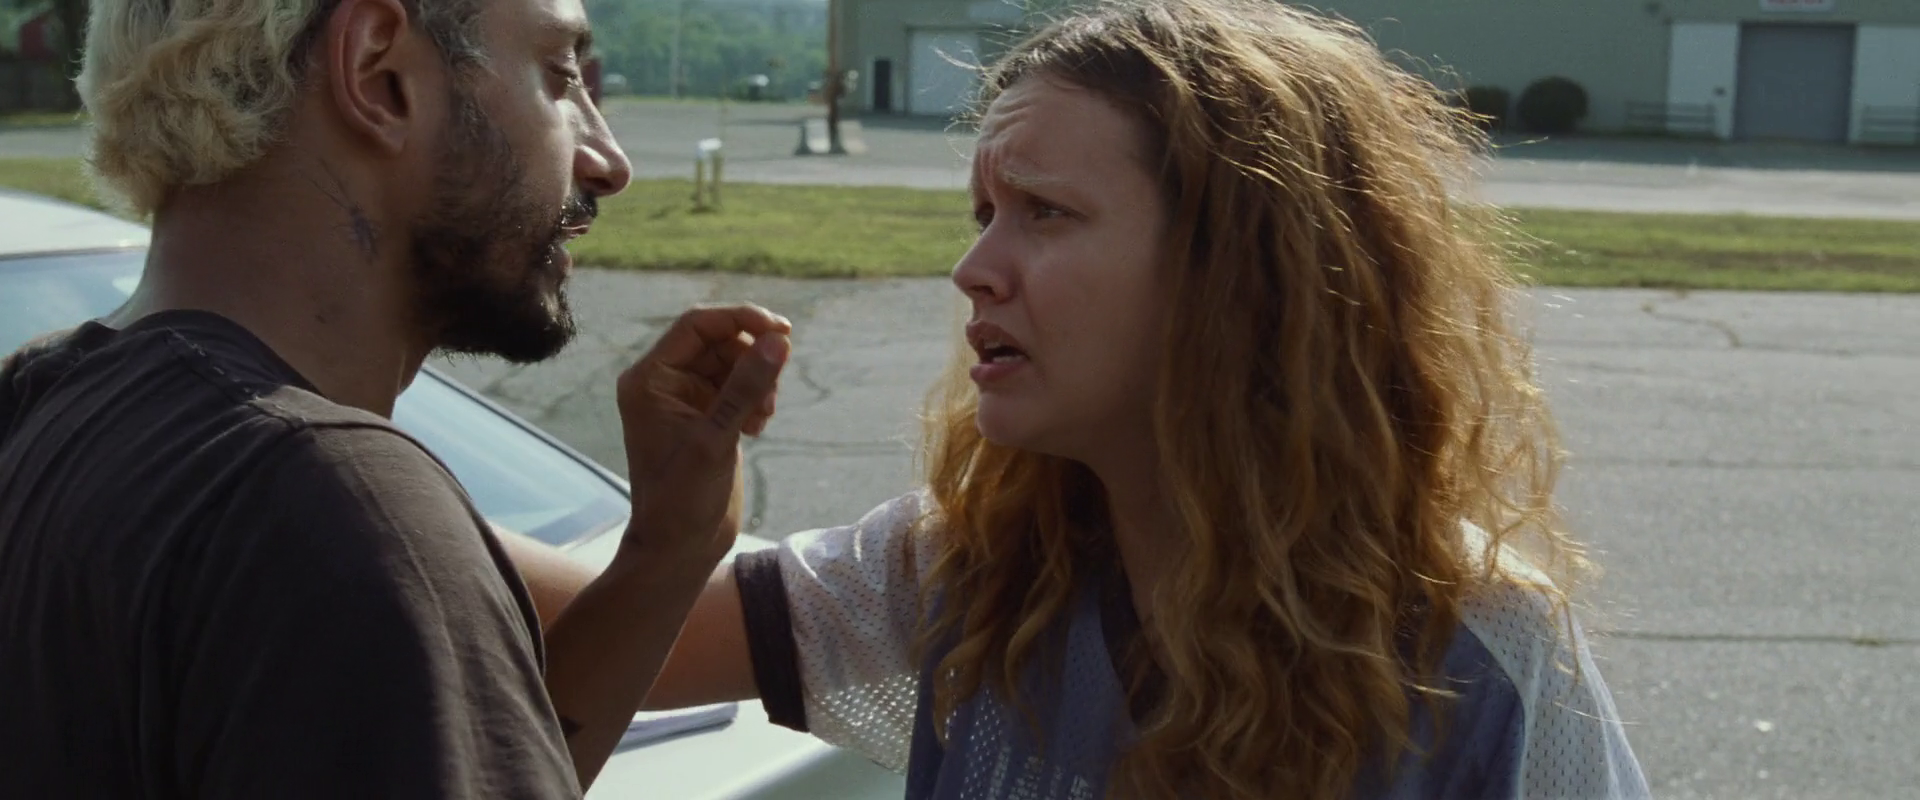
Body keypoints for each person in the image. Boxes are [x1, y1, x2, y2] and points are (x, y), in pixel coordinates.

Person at [512, 0, 1654, 798]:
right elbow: (593, 638)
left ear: (1238, 270)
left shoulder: (1474, 648)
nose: (974, 270)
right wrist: (388, 440)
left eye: (1044, 212)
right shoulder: (981, 567)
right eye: (983, 216)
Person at [0, 0, 789, 793]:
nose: (608, 161)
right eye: (558, 76)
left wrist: (666, 554)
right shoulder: (333, 504)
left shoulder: (42, 405)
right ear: (379, 74)